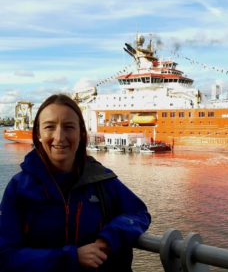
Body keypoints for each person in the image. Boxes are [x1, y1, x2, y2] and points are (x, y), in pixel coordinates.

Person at [0, 94, 151, 272]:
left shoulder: (102, 180)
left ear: (81, 134)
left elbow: (139, 213)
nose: (59, 137)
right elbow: (5, 256)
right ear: (38, 134)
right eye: (49, 127)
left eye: (69, 127)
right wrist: (71, 257)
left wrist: (108, 239)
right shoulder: (19, 188)